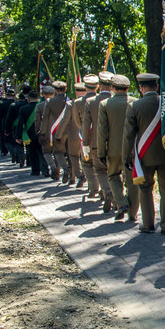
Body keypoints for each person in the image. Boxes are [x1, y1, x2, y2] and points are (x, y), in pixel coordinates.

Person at [123, 73, 165, 234]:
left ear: (141, 87)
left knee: (145, 189)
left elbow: (128, 135)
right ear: (157, 86)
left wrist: (126, 157)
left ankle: (148, 224)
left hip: (144, 155)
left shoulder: (135, 106)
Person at [97, 74, 138, 223]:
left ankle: (122, 203)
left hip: (113, 149)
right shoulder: (135, 103)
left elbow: (102, 131)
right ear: (127, 88)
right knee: (133, 181)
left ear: (112, 88)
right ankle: (133, 214)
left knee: (113, 176)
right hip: (132, 150)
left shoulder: (105, 104)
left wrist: (101, 151)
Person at [87, 72, 115, 212]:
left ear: (99, 85)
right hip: (116, 144)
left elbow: (86, 126)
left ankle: (107, 191)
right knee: (115, 172)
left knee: (100, 170)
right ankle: (117, 199)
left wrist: (85, 143)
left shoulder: (91, 102)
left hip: (96, 143)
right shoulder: (119, 101)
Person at [54, 82, 86, 187]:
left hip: (74, 135)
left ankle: (80, 176)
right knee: (87, 158)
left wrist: (58, 135)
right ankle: (88, 178)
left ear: (76, 92)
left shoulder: (71, 104)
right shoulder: (93, 101)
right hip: (89, 135)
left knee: (74, 156)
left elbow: (64, 121)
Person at [41, 80, 69, 181]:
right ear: (65, 89)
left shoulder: (50, 102)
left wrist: (43, 132)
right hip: (71, 131)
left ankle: (65, 168)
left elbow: (45, 118)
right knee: (72, 155)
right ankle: (74, 176)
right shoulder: (70, 99)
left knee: (58, 152)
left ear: (55, 90)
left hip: (57, 130)